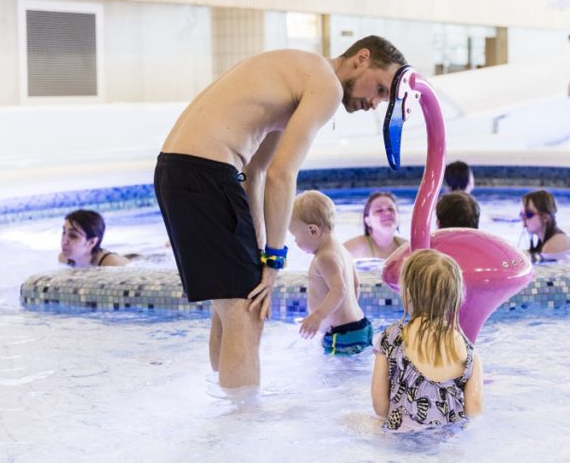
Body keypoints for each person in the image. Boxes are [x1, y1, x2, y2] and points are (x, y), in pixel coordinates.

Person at [154, 35, 406, 389]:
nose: (375, 103)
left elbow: (256, 172)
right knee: (246, 315)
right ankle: (242, 428)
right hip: (206, 171)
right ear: (361, 58)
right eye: (380, 89)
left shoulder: (297, 74)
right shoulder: (326, 85)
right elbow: (282, 174)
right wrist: (274, 261)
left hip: (176, 171)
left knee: (228, 310)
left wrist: (258, 252)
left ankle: (223, 408)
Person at [371, 249, 483, 432]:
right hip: (447, 441)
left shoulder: (392, 338)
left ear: (407, 293)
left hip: (401, 439)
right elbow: (474, 410)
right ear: (455, 297)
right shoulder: (470, 353)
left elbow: (379, 405)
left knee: (349, 420)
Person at [290, 191, 371, 355]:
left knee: (336, 378)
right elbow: (355, 286)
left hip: (341, 335)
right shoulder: (342, 251)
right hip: (360, 326)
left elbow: (339, 289)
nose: (295, 242)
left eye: (295, 236)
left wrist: (318, 316)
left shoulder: (324, 257)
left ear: (313, 231)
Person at [343, 192, 408, 259]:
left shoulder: (408, 248)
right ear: (368, 221)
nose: (387, 213)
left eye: (391, 209)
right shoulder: (355, 248)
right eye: (379, 210)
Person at [58, 209, 130, 268]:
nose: (64, 241)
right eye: (64, 232)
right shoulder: (64, 259)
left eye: (73, 236)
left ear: (91, 242)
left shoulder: (113, 264)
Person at [521, 189, 570, 260]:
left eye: (528, 214)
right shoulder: (547, 240)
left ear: (545, 217)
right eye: (521, 214)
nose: (523, 219)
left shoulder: (553, 246)